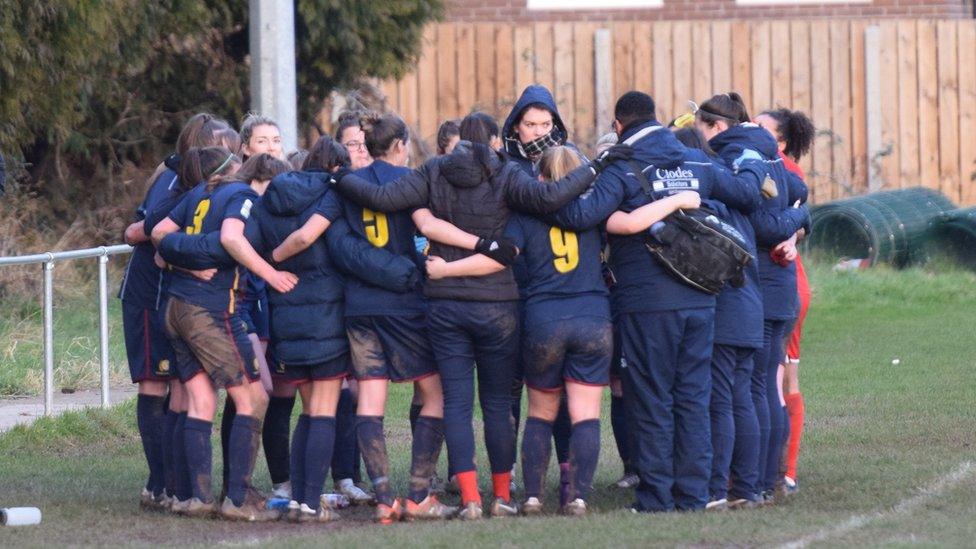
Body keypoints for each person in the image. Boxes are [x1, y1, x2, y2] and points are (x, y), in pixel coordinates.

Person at [330, 111, 631, 519]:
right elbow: (548, 199)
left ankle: (470, 498)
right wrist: (595, 166)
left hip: (445, 302)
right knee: (495, 403)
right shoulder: (506, 174)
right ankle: (503, 496)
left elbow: (385, 200)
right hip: (498, 304)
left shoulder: (433, 171)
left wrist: (340, 177)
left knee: (455, 402)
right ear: (494, 142)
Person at [545, 91, 765, 513]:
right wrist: (756, 154)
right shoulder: (696, 159)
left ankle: (656, 497)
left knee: (652, 399)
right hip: (701, 299)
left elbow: (576, 216)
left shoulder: (622, 165)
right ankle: (694, 495)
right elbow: (745, 193)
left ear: (619, 125)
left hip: (646, 302)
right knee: (693, 398)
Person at [150, 146, 293, 521]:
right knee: (254, 398)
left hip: (174, 308)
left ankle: (195, 497)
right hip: (209, 313)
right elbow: (231, 238)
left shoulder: (199, 193)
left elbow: (160, 238)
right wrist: (270, 274)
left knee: (200, 400)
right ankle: (238, 500)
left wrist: (195, 257)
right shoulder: (242, 194)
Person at [336, 112, 461, 523]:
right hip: (403, 305)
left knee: (370, 400)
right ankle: (419, 494)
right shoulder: (412, 182)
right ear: (401, 145)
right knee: (436, 394)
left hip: (358, 305)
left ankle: (384, 498)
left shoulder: (349, 186)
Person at [696, 94, 810, 504]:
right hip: (775, 290)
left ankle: (753, 481)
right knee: (763, 388)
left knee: (751, 390)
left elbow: (762, 222)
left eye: (764, 128)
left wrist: (796, 222)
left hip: (762, 289)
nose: (757, 133)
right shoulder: (773, 162)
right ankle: (764, 479)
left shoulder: (747, 161)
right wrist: (800, 219)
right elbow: (799, 194)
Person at [119, 113, 234, 511]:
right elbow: (142, 230)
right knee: (156, 384)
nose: (230, 156)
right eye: (222, 146)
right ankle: (160, 483)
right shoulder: (174, 180)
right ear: (200, 148)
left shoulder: (208, 186)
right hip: (151, 295)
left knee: (183, 389)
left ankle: (178, 484)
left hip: (181, 296)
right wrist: (187, 257)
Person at [501, 85, 583, 503]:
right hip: (513, 292)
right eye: (530, 124)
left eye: (545, 124)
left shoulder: (571, 163)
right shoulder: (507, 168)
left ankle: (568, 475)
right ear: (516, 126)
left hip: (560, 293)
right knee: (515, 389)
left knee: (566, 390)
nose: (537, 133)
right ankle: (512, 473)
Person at [755, 108, 816, 494]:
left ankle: (783, 471)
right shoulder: (762, 166)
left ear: (779, 141)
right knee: (767, 378)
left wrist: (791, 240)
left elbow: (795, 226)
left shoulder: (785, 172)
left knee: (779, 379)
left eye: (759, 128)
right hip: (781, 284)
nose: (749, 131)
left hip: (785, 285)